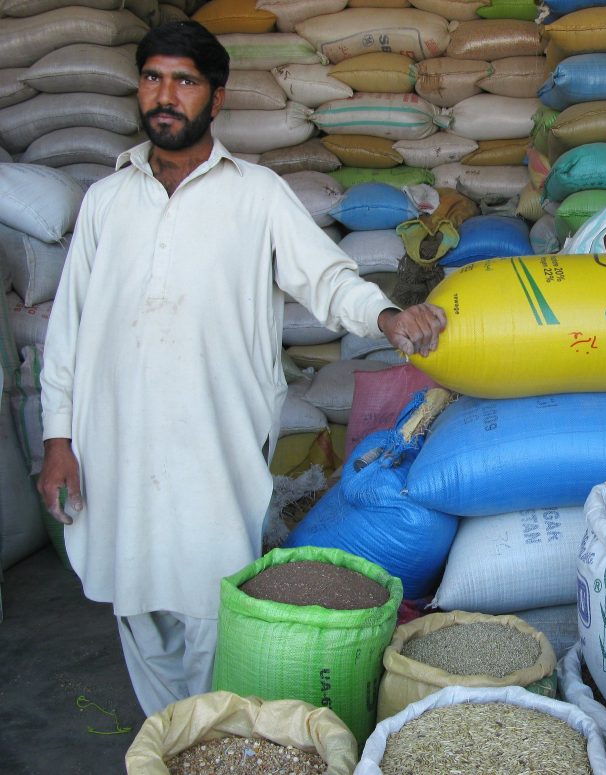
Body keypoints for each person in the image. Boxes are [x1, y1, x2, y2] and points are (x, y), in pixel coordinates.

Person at [36, 20, 446, 717]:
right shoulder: (106, 202)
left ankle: (207, 738)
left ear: (216, 99)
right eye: (153, 78)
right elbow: (68, 329)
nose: (165, 96)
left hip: (211, 448)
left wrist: (384, 317)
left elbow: (327, 277)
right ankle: (172, 740)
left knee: (208, 609)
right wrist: (57, 441)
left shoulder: (255, 194)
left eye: (184, 81)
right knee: (132, 604)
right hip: (115, 446)